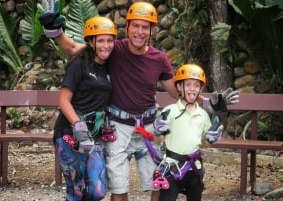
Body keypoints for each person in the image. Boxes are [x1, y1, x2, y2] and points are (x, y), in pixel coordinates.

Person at [38, 1, 239, 201]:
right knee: (118, 185)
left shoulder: (159, 59)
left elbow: (178, 93)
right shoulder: (113, 49)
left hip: (148, 127)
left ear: (152, 30)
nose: (139, 32)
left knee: (159, 182)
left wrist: (208, 104)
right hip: (118, 127)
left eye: (145, 27)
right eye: (135, 25)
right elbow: (75, 49)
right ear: (128, 27)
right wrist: (55, 31)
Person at [52, 16, 117, 201]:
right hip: (69, 134)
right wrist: (78, 126)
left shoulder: (109, 65)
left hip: (94, 137)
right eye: (101, 40)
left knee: (97, 192)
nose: (106, 45)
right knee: (77, 191)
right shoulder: (79, 63)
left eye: (110, 40)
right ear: (90, 41)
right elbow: (63, 99)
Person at [153, 64, 224, 201]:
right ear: (180, 87)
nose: (193, 89)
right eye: (188, 85)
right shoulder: (170, 111)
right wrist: (158, 131)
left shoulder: (203, 115)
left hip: (194, 169)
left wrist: (211, 139)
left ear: (200, 89)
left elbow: (203, 144)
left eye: (196, 85)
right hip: (171, 167)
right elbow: (158, 141)